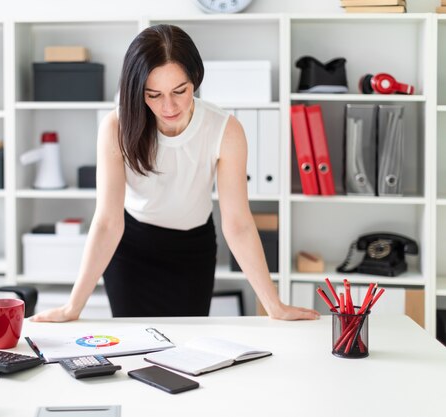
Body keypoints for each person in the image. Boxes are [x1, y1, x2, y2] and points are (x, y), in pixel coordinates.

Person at [31, 24, 320, 322]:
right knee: (136, 347)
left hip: (192, 250)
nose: (168, 107)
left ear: (195, 79)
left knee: (186, 351)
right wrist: (73, 307)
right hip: (131, 248)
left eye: (179, 91)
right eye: (153, 95)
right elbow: (107, 222)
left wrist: (273, 305)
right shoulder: (116, 127)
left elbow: (238, 224)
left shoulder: (224, 129)